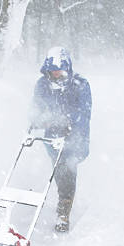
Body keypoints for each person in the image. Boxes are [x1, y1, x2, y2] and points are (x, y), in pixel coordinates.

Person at [30, 46, 92, 232]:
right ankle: (63, 200)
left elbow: (84, 113)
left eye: (59, 71)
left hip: (75, 138)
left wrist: (69, 124)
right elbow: (36, 107)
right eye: (52, 72)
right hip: (52, 138)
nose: (56, 75)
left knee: (67, 168)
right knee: (59, 170)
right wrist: (36, 121)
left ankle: (63, 212)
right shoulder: (42, 84)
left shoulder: (80, 85)